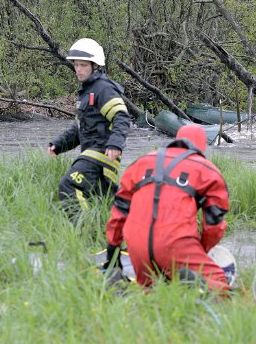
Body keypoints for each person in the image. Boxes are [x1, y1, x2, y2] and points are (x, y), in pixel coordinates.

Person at [104, 124, 230, 292]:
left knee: (152, 288)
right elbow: (214, 226)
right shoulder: (207, 170)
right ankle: (195, 283)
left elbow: (118, 214)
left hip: (137, 246)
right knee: (220, 287)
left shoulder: (141, 162)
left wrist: (113, 259)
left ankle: (129, 289)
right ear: (202, 147)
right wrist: (201, 250)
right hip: (176, 243)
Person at [48, 38, 131, 214]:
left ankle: (83, 230)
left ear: (95, 66)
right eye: (76, 65)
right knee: (103, 203)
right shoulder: (87, 92)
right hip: (95, 155)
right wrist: (58, 145)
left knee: (69, 185)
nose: (78, 69)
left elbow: (122, 117)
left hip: (101, 153)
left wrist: (115, 144)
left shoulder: (104, 89)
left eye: (83, 65)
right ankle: (112, 233)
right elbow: (80, 129)